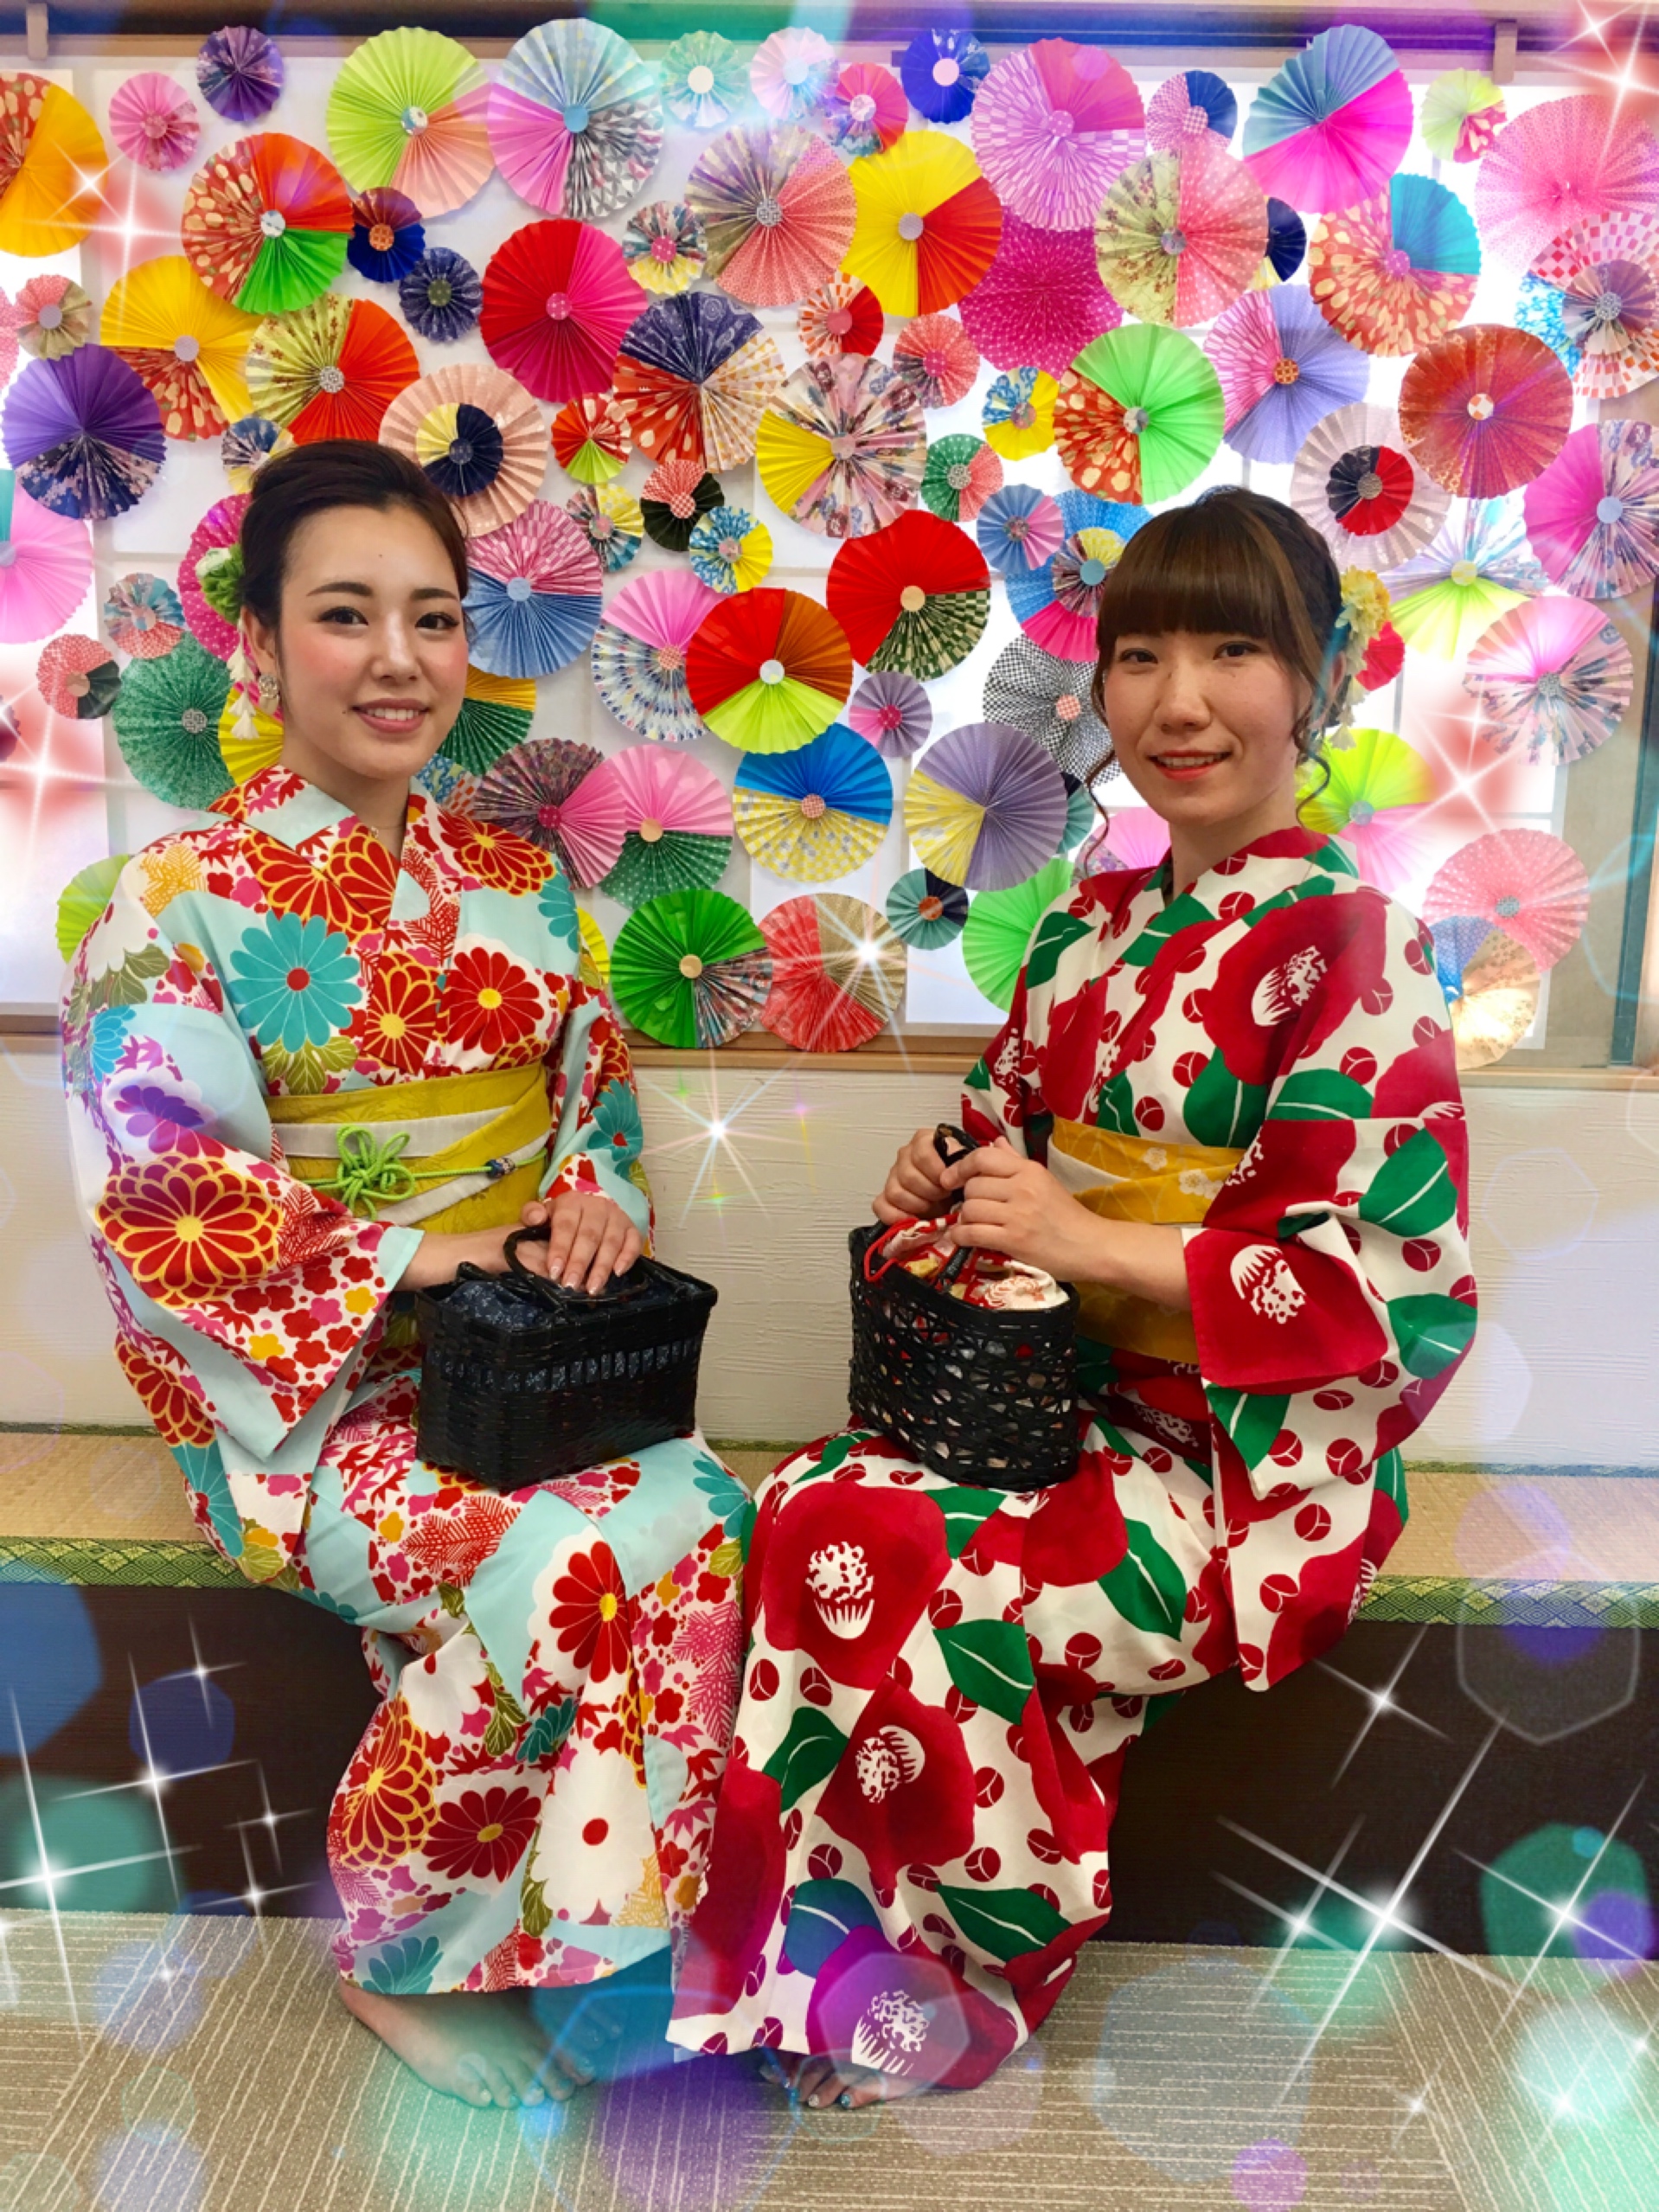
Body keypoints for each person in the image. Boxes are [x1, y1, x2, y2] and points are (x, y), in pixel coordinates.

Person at [664, 488, 1476, 2104]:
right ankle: (806, 1959)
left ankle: (956, 1982)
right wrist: (942, 1169)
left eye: (1232, 650)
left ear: (1317, 679)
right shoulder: (1088, 928)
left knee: (940, 1565)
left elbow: (1391, 1286)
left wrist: (1092, 1242)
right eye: (1140, 656)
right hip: (1042, 1399)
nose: (1180, 701)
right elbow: (1006, 1132)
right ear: (1096, 688)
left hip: (1241, 1457)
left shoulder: (1356, 941)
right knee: (811, 1504)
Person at [62, 442, 747, 2112]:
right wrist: (423, 1252)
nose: (397, 658)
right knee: (552, 1549)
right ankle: (397, 1947)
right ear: (259, 642)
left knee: (708, 1509)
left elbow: (591, 1102)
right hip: (307, 1398)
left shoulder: (517, 882)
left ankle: (596, 1932)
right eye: (346, 614)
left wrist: (586, 1205)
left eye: (433, 619)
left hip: (523, 1357)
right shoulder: (170, 900)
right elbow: (162, 1192)